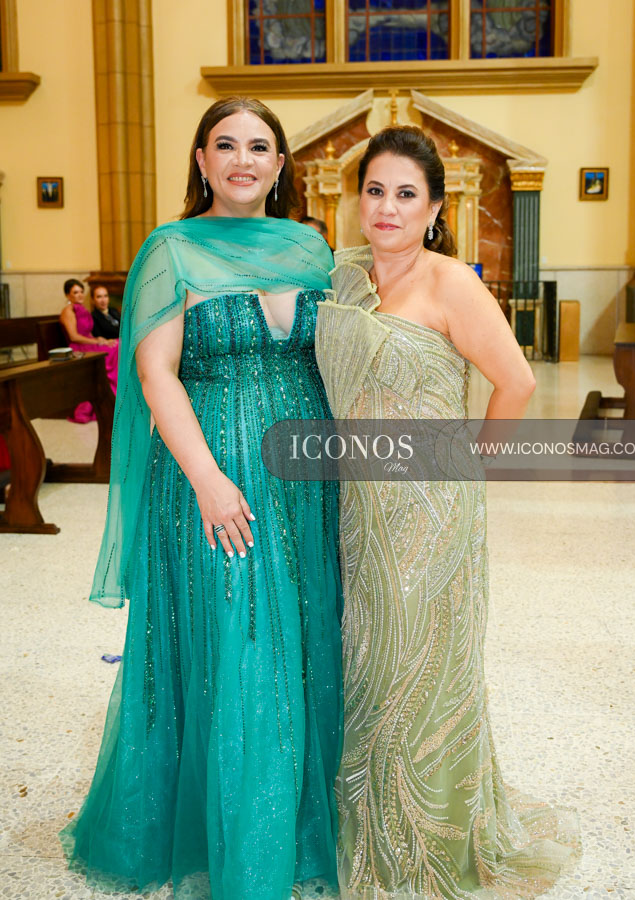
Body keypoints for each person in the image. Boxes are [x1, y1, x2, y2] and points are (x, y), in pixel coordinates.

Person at [60, 98, 343, 900]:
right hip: (212, 475)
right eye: (226, 144)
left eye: (259, 146)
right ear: (201, 160)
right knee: (242, 642)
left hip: (306, 481)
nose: (242, 159)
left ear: (280, 164)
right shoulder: (172, 249)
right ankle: (245, 853)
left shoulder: (309, 248)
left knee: (301, 642)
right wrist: (210, 479)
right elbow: (155, 374)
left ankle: (295, 831)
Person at [315, 126, 580, 898]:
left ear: (434, 209)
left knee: (419, 670)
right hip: (357, 506)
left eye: (406, 194)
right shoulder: (343, 279)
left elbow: (516, 382)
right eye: (375, 190)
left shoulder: (450, 282)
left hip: (428, 511)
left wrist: (470, 475)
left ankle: (429, 835)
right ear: (356, 199)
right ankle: (369, 823)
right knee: (368, 662)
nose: (387, 207)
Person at [59, 278, 119, 422]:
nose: (80, 295)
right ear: (67, 295)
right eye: (75, 292)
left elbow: (88, 333)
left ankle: (117, 396)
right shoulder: (68, 311)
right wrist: (96, 341)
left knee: (117, 344)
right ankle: (111, 397)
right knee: (115, 349)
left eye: (81, 292)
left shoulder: (83, 309)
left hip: (87, 343)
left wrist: (101, 339)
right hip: (78, 348)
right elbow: (74, 336)